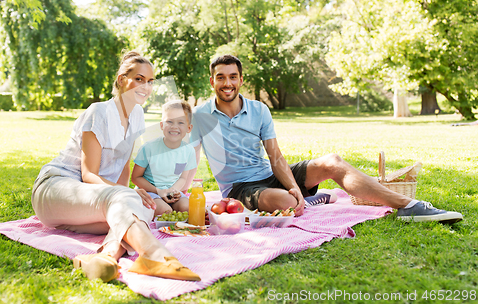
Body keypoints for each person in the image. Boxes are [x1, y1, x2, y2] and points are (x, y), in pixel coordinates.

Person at [188, 54, 463, 224]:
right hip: (240, 188)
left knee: (332, 162)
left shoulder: (259, 109)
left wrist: (294, 185)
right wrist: (172, 191)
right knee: (286, 203)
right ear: (212, 81)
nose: (227, 83)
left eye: (233, 77)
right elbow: (191, 158)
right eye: (221, 78)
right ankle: (306, 200)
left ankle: (410, 206)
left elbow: (276, 157)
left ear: (241, 79)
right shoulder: (201, 115)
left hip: (269, 176)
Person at [31, 51, 200, 283]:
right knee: (131, 201)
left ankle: (107, 256)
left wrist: (128, 196)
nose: (146, 87)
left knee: (143, 207)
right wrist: (125, 193)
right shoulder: (98, 112)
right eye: (139, 79)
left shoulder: (137, 114)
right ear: (122, 80)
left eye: (150, 81)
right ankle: (153, 254)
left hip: (89, 204)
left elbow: (124, 165)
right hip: (56, 189)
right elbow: (89, 174)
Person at [131, 100, 196, 216]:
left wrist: (173, 191)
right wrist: (159, 192)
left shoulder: (189, 151)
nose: (174, 127)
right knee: (165, 211)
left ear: (189, 128)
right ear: (162, 125)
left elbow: (183, 178)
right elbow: (135, 178)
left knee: (189, 208)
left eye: (181, 122)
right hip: (150, 191)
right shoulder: (149, 148)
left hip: (170, 191)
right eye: (169, 121)